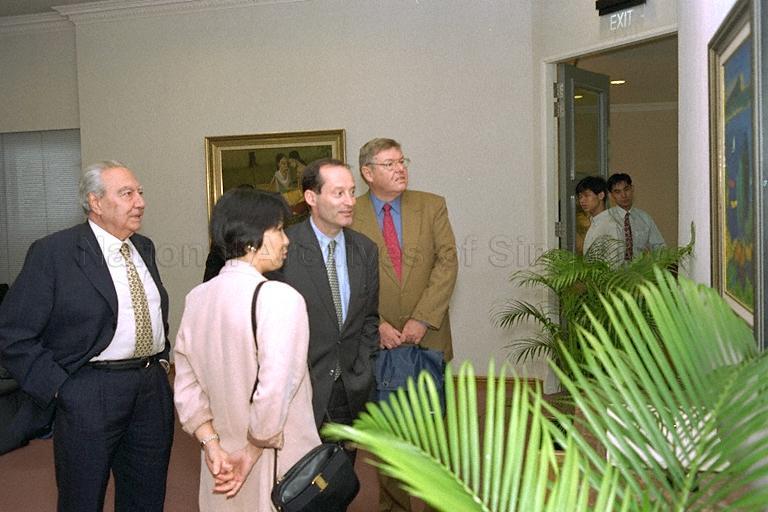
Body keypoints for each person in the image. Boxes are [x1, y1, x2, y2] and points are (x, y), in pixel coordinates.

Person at [0, 161, 174, 511]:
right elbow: (13, 331)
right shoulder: (54, 252)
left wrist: (162, 361)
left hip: (150, 389)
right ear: (95, 202)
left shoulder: (144, 247)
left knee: (147, 494)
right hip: (90, 390)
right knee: (83, 496)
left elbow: (151, 312)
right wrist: (59, 387)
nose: (140, 202)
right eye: (127, 193)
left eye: (140, 192)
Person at [174, 188, 320, 511]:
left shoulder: (197, 299)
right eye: (278, 230)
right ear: (252, 239)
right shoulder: (280, 299)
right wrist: (252, 451)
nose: (286, 241)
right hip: (274, 463)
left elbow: (186, 388)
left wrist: (212, 445)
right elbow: (275, 389)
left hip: (220, 465)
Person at [352, 138, 458, 512]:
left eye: (402, 161)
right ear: (367, 173)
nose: (400, 169)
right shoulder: (350, 213)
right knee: (390, 439)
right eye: (390, 164)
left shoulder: (431, 205)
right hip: (378, 342)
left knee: (435, 437)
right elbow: (348, 275)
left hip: (428, 338)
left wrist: (422, 317)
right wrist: (376, 323)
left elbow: (447, 263)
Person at [275, 158, 379, 433]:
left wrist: (362, 369)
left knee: (343, 461)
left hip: (350, 388)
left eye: (352, 192)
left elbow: (369, 319)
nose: (350, 201)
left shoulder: (365, 250)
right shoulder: (284, 249)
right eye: (338, 193)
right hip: (299, 390)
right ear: (311, 197)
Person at [583, 172, 666, 262]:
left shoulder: (644, 218)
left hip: (640, 269)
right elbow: (591, 253)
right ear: (611, 195)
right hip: (611, 270)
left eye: (626, 189)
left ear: (632, 189)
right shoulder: (605, 219)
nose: (624, 195)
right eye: (617, 192)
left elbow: (660, 247)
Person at [575, 175, 608, 255]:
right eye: (580, 196)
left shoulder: (611, 224)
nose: (582, 200)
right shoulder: (592, 222)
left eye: (586, 195)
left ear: (601, 195)